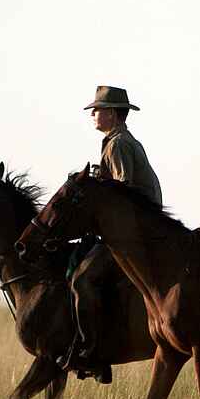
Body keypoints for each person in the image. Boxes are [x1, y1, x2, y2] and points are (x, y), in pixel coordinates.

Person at [65, 85, 163, 376]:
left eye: (96, 110)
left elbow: (124, 189)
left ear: (110, 113)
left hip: (132, 230)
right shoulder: (118, 140)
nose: (93, 114)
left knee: (82, 281)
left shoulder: (118, 143)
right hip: (139, 225)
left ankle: (91, 352)